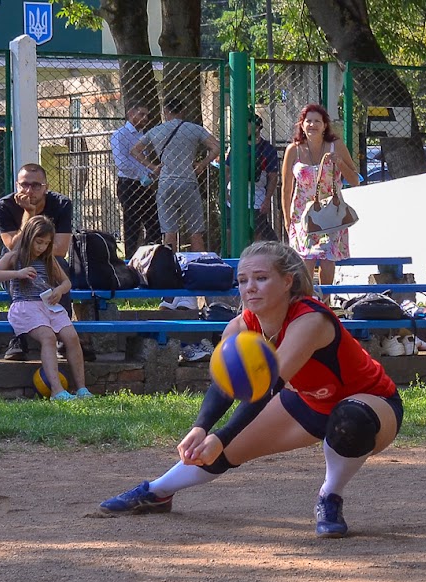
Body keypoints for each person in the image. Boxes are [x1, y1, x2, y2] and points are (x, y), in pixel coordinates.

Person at [99, 240, 402, 538]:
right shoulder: (240, 326)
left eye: (261, 278)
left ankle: (330, 496)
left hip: (372, 404)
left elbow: (266, 386)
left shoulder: (310, 319)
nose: (250, 287)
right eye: (243, 280)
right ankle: (158, 492)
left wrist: (222, 434)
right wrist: (202, 428)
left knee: (350, 421)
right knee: (219, 450)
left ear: (287, 282)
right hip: (308, 403)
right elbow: (227, 384)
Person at [0, 163, 95, 362]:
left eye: (36, 185)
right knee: (11, 262)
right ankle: (19, 337)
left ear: (46, 187)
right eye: (24, 185)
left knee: (58, 264)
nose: (29, 190)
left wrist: (37, 250)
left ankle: (63, 335)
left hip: (48, 260)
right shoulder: (3, 207)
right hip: (18, 262)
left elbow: (61, 249)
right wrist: (28, 214)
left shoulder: (61, 204)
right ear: (17, 185)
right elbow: (14, 248)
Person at [0, 216, 93, 401]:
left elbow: (66, 282)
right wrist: (17, 273)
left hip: (49, 306)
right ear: (28, 237)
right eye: (39, 242)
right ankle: (56, 390)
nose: (42, 247)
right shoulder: (15, 257)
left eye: (46, 243)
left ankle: (82, 388)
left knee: (72, 337)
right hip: (25, 306)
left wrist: (59, 290)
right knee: (48, 337)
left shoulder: (49, 259)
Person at [281, 103, 360, 290]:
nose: (312, 125)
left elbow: (355, 180)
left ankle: (326, 302)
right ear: (301, 125)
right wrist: (287, 219)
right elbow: (286, 188)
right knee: (306, 259)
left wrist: (339, 162)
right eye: (308, 121)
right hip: (303, 214)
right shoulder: (294, 150)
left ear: (325, 125)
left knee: (327, 259)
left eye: (317, 121)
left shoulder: (336, 146)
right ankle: (307, 304)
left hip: (330, 213)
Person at [131, 97, 220, 253]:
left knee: (169, 231)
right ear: (183, 111)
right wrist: (202, 164)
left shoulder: (156, 131)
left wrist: (152, 167)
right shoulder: (194, 129)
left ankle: (169, 266)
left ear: (166, 111)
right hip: (188, 180)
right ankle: (200, 264)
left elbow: (134, 150)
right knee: (195, 231)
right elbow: (216, 147)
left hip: (166, 182)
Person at [111, 102, 162, 259]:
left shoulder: (142, 136)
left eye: (147, 115)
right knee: (132, 224)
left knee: (154, 224)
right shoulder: (119, 135)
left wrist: (150, 173)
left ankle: (146, 257)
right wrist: (144, 174)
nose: (145, 118)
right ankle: (131, 259)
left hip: (144, 185)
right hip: (129, 184)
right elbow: (122, 163)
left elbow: (142, 160)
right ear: (130, 114)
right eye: (141, 114)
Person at [223, 114, 279, 242]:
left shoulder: (268, 149)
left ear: (257, 128)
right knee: (230, 232)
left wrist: (267, 200)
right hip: (234, 197)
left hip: (257, 198)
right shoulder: (236, 146)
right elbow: (227, 170)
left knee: (257, 233)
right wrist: (225, 193)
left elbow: (273, 177)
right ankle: (232, 258)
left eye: (247, 125)